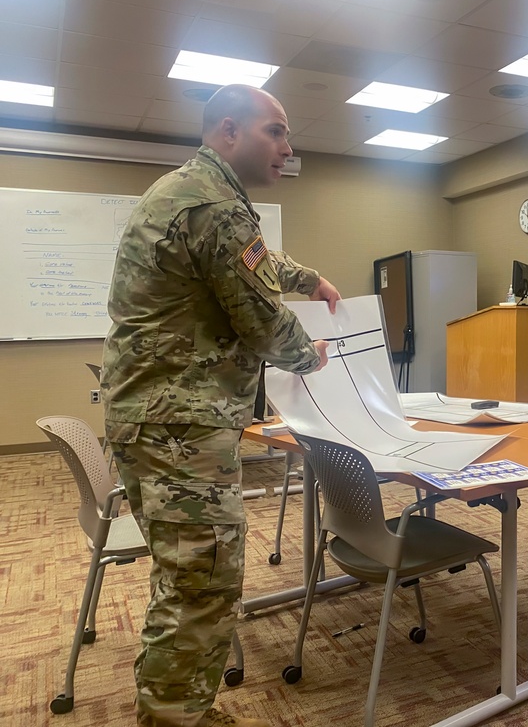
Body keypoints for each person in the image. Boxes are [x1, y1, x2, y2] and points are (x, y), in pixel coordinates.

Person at [102, 84, 341, 727]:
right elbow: (263, 320)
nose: (288, 148)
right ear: (229, 132)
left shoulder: (197, 192)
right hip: (180, 425)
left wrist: (306, 278)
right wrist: (312, 354)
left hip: (158, 420)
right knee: (201, 585)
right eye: (277, 132)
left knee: (189, 579)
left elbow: (253, 265)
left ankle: (178, 706)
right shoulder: (215, 205)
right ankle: (175, 716)